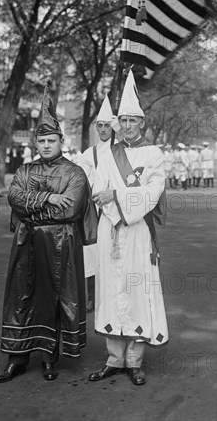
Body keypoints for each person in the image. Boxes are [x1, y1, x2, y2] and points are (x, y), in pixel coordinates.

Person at [0, 83, 97, 383]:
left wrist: (33, 206)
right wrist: (47, 198)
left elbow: (70, 209)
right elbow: (14, 197)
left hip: (59, 244)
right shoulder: (25, 170)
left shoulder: (75, 173)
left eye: (51, 140)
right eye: (41, 141)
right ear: (35, 143)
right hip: (26, 243)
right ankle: (17, 358)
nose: (46, 146)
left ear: (60, 140)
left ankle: (49, 358)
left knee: (52, 298)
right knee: (21, 297)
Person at [89, 70, 168, 387]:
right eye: (124, 120)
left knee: (137, 289)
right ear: (118, 123)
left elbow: (154, 191)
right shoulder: (108, 153)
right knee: (110, 289)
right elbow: (98, 188)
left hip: (136, 231)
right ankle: (113, 359)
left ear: (143, 123)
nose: (128, 125)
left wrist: (119, 197)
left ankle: (134, 360)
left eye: (134, 120)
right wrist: (112, 205)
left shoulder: (154, 153)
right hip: (110, 229)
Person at [77, 95, 118, 313]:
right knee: (92, 253)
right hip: (95, 209)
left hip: (116, 208)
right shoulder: (89, 153)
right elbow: (81, 180)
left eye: (107, 126)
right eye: (100, 126)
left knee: (116, 252)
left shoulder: (121, 149)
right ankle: (91, 296)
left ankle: (114, 294)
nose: (103, 130)